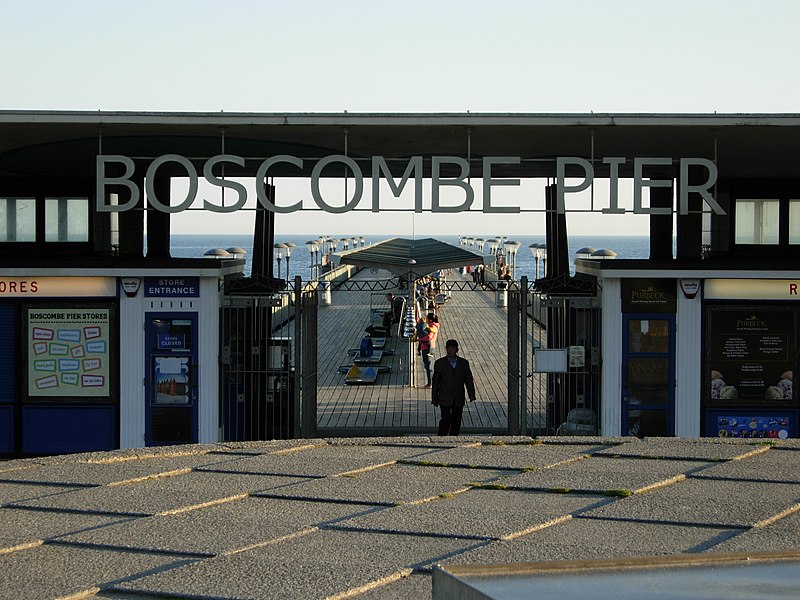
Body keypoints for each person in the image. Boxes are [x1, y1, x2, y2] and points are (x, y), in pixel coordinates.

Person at [431, 339, 476, 435]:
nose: (450, 350)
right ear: (446, 349)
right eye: (449, 348)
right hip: (444, 396)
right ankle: (441, 437)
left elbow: (468, 380)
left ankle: (454, 437)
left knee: (457, 419)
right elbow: (435, 382)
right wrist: (435, 398)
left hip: (458, 396)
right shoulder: (440, 363)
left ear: (457, 350)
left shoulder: (463, 363)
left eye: (453, 348)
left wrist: (471, 395)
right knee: (445, 418)